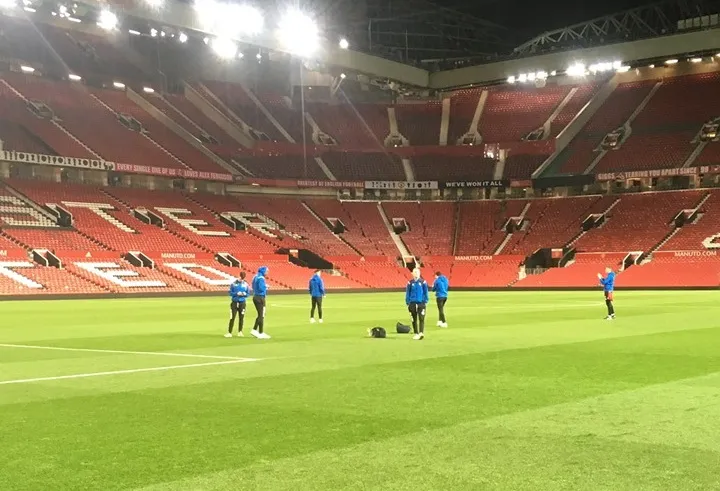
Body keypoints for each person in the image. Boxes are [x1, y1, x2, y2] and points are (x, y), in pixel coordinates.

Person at [405, 268, 429, 340]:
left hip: (421, 303)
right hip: (412, 303)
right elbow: (407, 293)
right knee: (413, 319)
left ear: (419, 273)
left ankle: (421, 332)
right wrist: (408, 302)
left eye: (417, 272)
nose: (416, 273)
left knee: (421, 318)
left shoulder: (423, 282)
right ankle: (416, 333)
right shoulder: (410, 283)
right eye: (414, 272)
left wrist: (425, 300)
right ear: (412, 273)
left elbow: (425, 292)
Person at [226, 272, 250, 337]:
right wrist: (236, 293)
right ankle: (229, 332)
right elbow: (230, 293)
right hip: (234, 302)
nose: (242, 279)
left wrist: (244, 294)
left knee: (241, 318)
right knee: (232, 317)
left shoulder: (246, 284)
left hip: (242, 303)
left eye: (243, 278)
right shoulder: (233, 284)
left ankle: (240, 331)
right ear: (238, 276)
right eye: (241, 277)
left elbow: (248, 294)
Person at [251, 266, 271, 339]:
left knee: (260, 314)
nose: (267, 273)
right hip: (260, 297)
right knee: (261, 315)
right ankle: (258, 331)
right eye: (266, 271)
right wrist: (266, 286)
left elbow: (253, 285)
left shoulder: (255, 276)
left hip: (255, 296)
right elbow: (261, 288)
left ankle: (257, 331)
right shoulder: (261, 278)